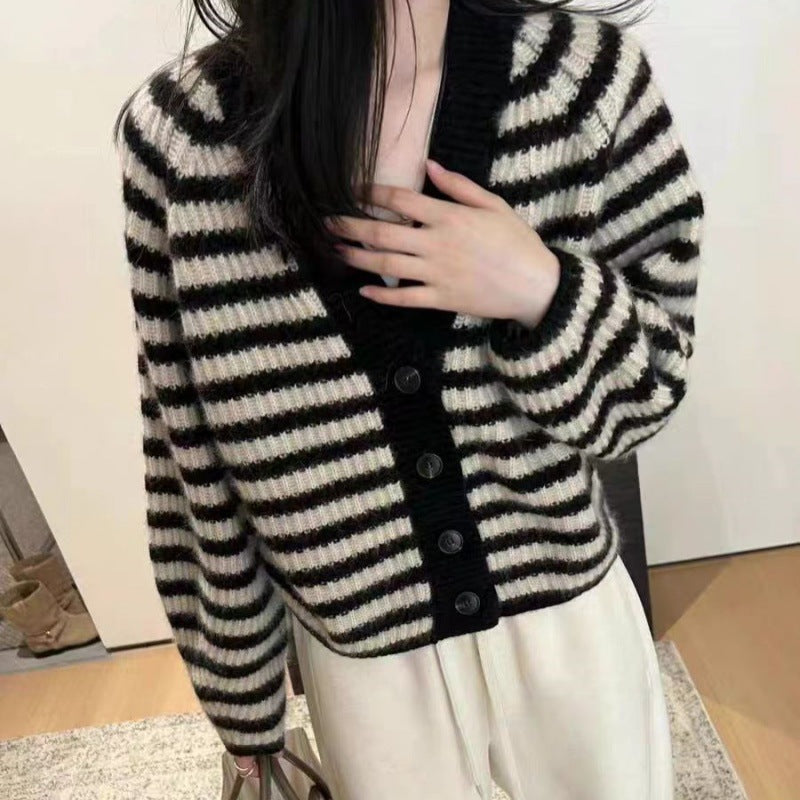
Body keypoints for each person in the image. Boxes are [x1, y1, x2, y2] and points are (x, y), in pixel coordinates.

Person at [113, 0, 704, 797]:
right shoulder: (181, 141)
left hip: (569, 637)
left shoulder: (582, 83)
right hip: (368, 672)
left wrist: (542, 289)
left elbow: (650, 392)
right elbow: (188, 455)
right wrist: (241, 694)